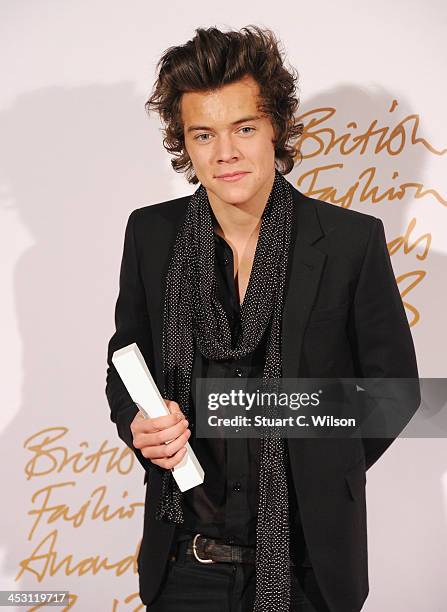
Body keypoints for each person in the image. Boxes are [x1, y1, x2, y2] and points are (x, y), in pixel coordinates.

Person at [105, 25, 420, 612]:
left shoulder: (351, 241)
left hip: (309, 567)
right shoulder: (151, 235)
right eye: (204, 134)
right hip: (184, 563)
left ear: (276, 126)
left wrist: (318, 458)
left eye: (244, 128)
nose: (225, 153)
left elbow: (396, 391)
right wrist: (138, 425)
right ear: (185, 143)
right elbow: (127, 363)